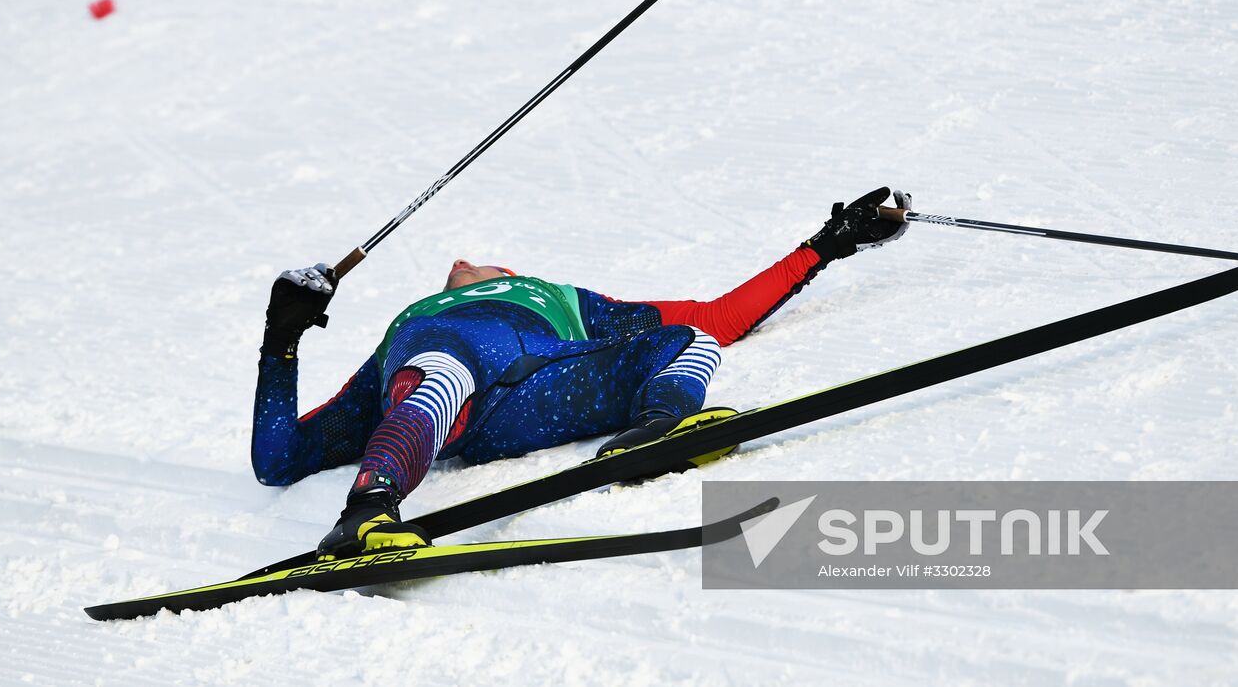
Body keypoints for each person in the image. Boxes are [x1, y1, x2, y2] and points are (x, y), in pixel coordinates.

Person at [251, 186, 912, 560]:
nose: (459, 259)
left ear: (514, 277)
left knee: (689, 339)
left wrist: (827, 245)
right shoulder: (411, 324)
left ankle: (660, 428)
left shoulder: (566, 300)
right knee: (445, 370)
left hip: (537, 397)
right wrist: (281, 340)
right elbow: (281, 457)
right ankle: (365, 513)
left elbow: (723, 315)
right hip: (444, 399)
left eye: (482, 260)